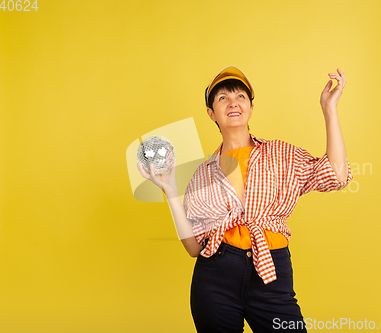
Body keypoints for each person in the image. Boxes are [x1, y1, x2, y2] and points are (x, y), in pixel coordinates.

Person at [137, 66, 353, 333]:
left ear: (250, 106)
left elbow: (337, 176)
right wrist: (170, 190)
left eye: (240, 96)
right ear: (211, 113)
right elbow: (194, 248)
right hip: (215, 277)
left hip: (271, 271)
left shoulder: (282, 154)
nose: (233, 103)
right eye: (222, 98)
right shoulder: (203, 174)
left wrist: (329, 110)